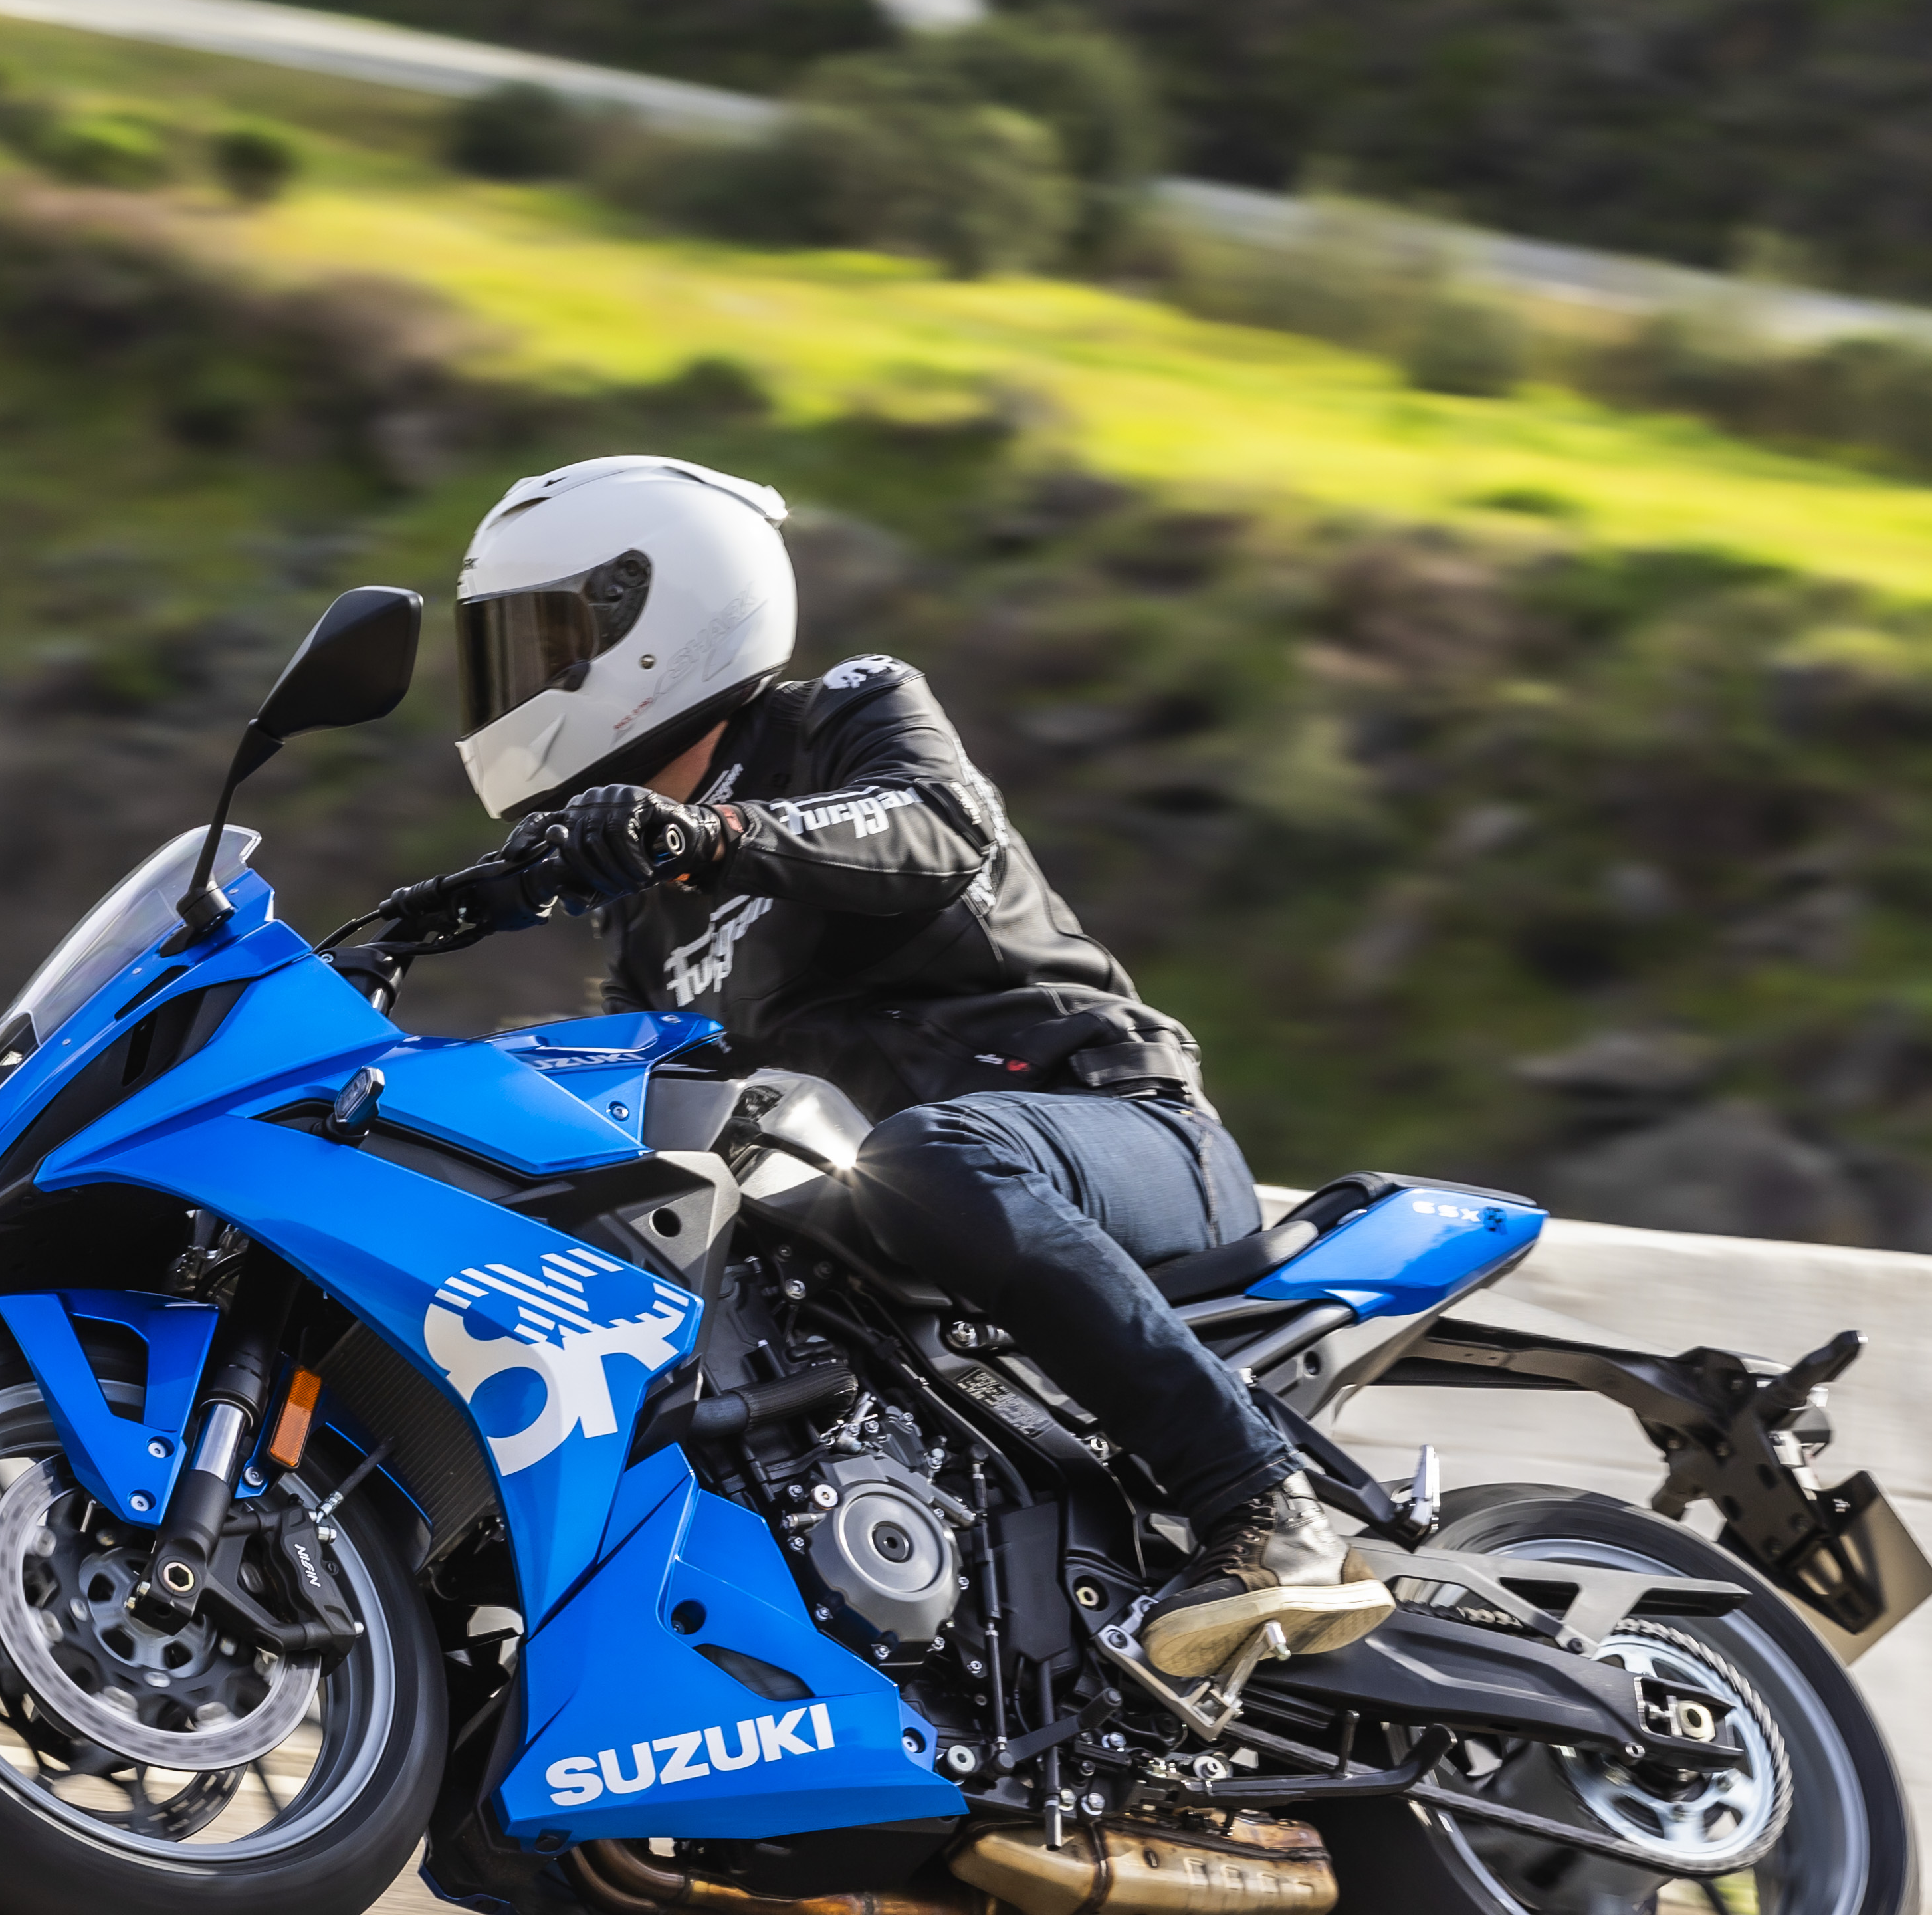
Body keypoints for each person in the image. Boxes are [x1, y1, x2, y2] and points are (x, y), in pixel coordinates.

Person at [452, 451, 1391, 1682]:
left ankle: (1267, 1508)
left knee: (924, 1157)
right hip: (902, 1223)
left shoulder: (846, 711)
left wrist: (715, 834)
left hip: (1111, 1123)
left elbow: (934, 825)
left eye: (545, 639)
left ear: (657, 609)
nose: (519, 679)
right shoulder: (639, 916)